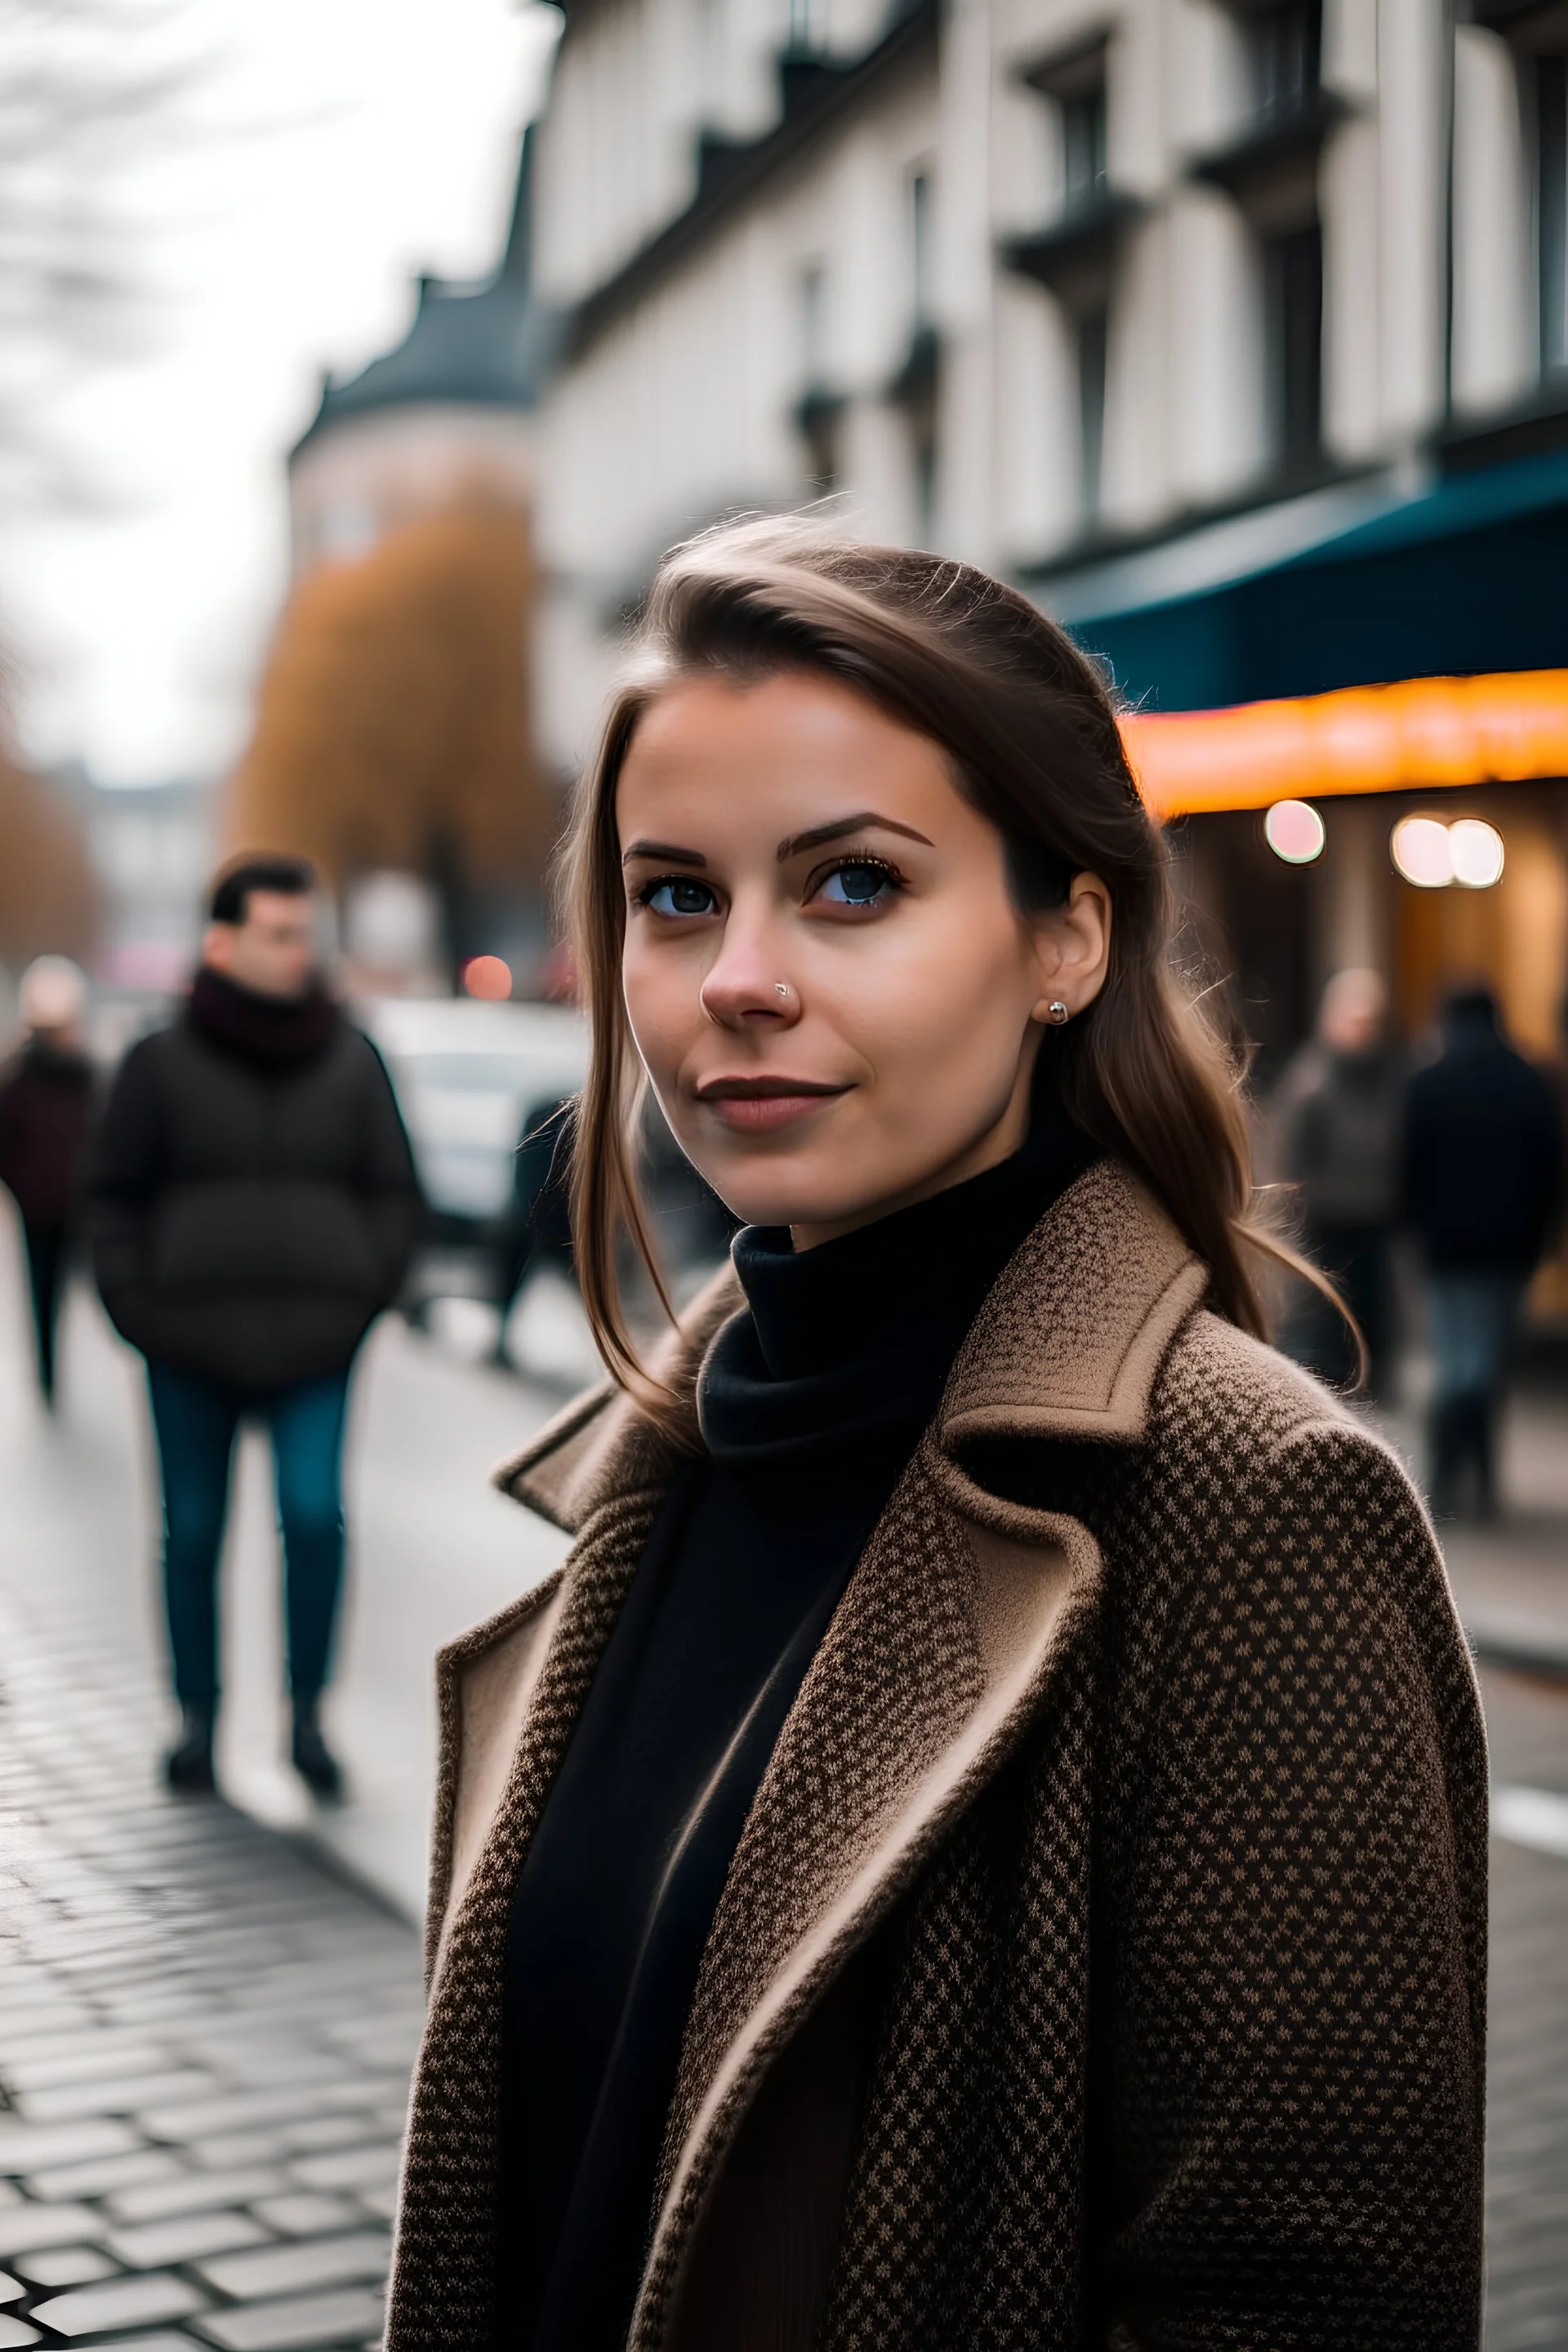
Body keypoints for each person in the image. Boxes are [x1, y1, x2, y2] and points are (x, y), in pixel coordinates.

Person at [388, 526, 1485, 2352]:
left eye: (850, 887)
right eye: (676, 897)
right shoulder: (668, 1462)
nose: (738, 975)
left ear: (1066, 938)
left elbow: (1297, 2300)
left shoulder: (1248, 1508)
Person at [87, 855, 421, 1798]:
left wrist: (364, 1298)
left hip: (317, 1347)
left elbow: (396, 1194)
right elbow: (109, 1201)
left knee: (314, 1519)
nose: (296, 954)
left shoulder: (354, 1057)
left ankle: (308, 1719)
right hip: (185, 1349)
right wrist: (139, 1314)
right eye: (276, 935)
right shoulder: (157, 1063)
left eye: (304, 934)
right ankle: (197, 1721)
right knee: (191, 1532)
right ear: (221, 942)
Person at [1405, 982, 1565, 1518]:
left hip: (1446, 1246)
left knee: (1456, 1361)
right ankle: (1480, 1478)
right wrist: (1543, 1235)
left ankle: (1449, 1475)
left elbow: (1409, 1165)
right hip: (1508, 1248)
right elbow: (1550, 1169)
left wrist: (1412, 1227)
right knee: (1487, 1360)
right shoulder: (1528, 1081)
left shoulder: (1429, 1081)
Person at [1272, 965, 1404, 1393]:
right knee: (1325, 1322)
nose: (1361, 1032)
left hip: (1376, 1220)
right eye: (1353, 1021)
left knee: (1372, 1319)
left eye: (1369, 1022)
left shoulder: (1389, 1079)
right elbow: (1290, 1158)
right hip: (1326, 1223)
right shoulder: (1312, 1081)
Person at [0, 956, 96, 1406]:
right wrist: (24, 1188)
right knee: (42, 1289)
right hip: (39, 1207)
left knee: (74, 1286)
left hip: (79, 1205)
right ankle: (47, 1371)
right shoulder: (18, 1080)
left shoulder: (88, 1077)